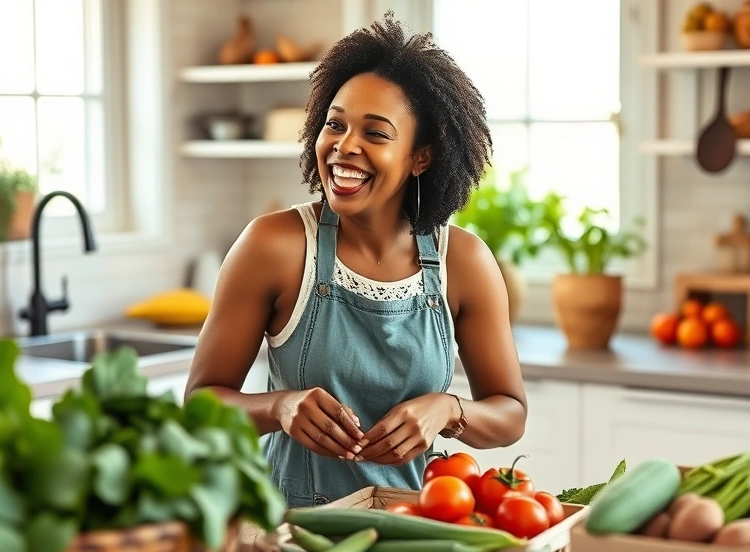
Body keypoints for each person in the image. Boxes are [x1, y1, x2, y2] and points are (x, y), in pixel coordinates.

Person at [185, 12, 527, 508]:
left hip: (418, 532)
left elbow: (511, 413)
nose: (345, 147)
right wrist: (278, 407)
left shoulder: (466, 262)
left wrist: (449, 409)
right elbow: (198, 406)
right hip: (293, 537)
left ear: (421, 157)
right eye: (335, 125)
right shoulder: (274, 247)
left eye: (376, 133)